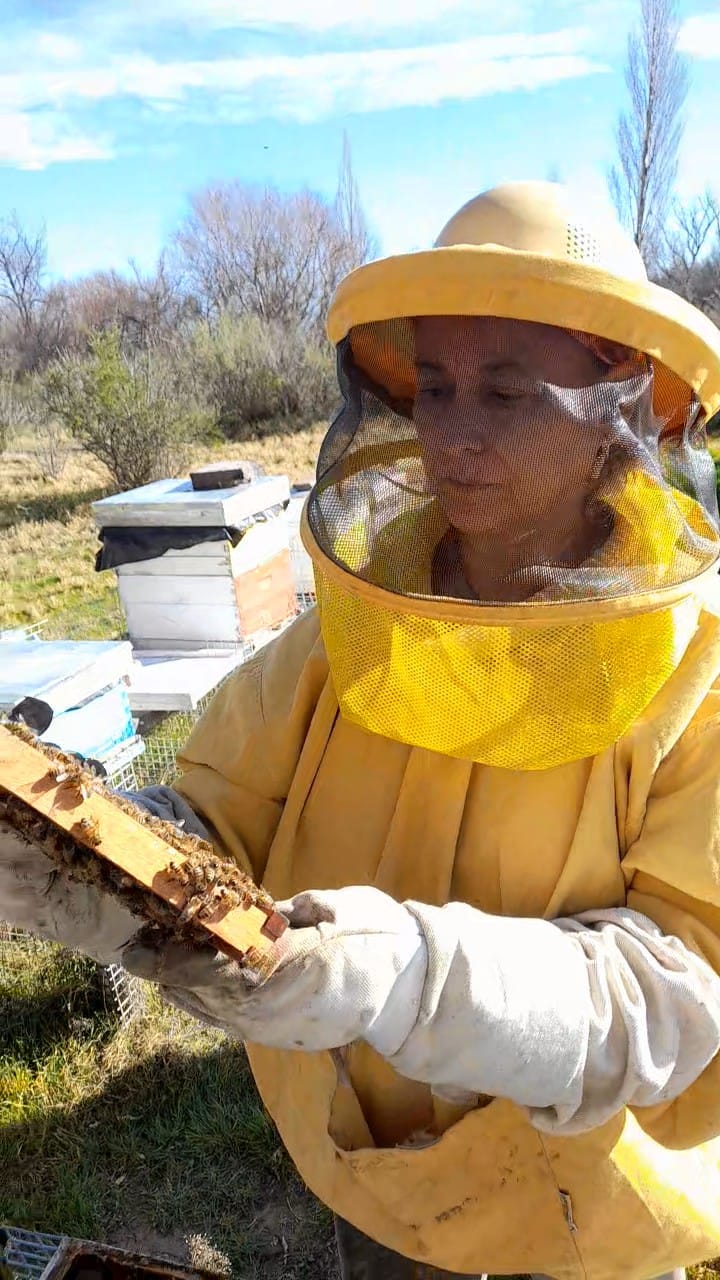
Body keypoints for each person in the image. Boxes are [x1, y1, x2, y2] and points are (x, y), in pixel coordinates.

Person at [4, 181, 720, 1280]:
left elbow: (675, 995)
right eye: (432, 385)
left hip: (585, 1212)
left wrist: (412, 978)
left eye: (509, 391)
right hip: (372, 1176)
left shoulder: (699, 668)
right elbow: (215, 820)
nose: (452, 433)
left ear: (623, 410)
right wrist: (77, 853)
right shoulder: (359, 619)